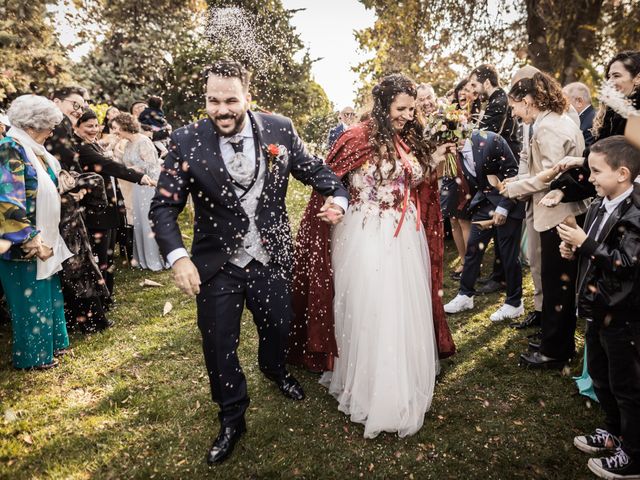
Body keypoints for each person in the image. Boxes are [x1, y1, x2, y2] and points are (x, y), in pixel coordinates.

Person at [149, 59, 349, 464]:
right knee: (218, 343)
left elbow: (313, 169)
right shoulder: (185, 140)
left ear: (247, 97)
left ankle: (274, 369)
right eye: (212, 100)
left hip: (271, 256)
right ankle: (232, 416)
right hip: (217, 263)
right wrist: (178, 257)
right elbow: (163, 208)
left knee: (279, 325)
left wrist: (338, 196)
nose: (221, 109)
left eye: (230, 100)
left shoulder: (279, 129)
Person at [290, 74, 455, 438]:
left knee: (401, 305)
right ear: (383, 105)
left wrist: (435, 160)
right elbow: (333, 182)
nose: (409, 115)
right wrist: (334, 203)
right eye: (401, 109)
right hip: (366, 232)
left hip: (404, 233)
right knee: (370, 305)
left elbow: (409, 181)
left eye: (412, 109)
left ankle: (399, 376)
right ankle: (366, 384)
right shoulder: (356, 138)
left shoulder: (407, 138)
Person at [557, 136, 640, 479]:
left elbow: (626, 263)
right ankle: (613, 431)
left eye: (595, 170)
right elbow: (594, 253)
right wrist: (574, 250)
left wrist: (585, 243)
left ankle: (634, 454)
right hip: (596, 307)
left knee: (627, 385)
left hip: (624, 316)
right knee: (602, 377)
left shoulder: (636, 213)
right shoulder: (597, 204)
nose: (589, 177)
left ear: (622, 173)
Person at [501, 72, 590, 368]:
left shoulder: (548, 128)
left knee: (558, 284)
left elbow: (553, 177)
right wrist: (517, 179)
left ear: (527, 101)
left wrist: (514, 188)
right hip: (561, 210)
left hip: (559, 212)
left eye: (514, 106)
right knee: (557, 283)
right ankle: (554, 339)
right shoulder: (556, 120)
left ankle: (555, 351)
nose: (514, 113)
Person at [0, 95, 73, 369]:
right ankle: (33, 358)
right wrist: (29, 236)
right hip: (23, 241)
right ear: (32, 126)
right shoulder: (9, 149)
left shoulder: (34, 150)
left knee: (48, 293)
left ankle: (54, 344)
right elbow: (6, 199)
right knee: (29, 299)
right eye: (49, 126)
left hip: (45, 235)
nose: (52, 132)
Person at [74, 109, 156, 303]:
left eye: (96, 126)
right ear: (76, 127)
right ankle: (103, 298)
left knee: (108, 257)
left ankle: (107, 295)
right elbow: (110, 166)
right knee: (101, 257)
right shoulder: (83, 149)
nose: (94, 130)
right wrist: (140, 177)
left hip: (109, 209)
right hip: (98, 212)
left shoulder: (92, 144)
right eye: (88, 126)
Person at [443, 130, 525, 321]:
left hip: (509, 201)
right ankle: (465, 295)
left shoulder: (491, 140)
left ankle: (514, 303)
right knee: (472, 247)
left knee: (508, 255)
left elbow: (513, 173)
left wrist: (504, 208)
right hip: (485, 202)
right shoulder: (453, 153)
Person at [549, 51, 640, 203]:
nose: (610, 82)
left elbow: (620, 162)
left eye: (616, 76)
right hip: (617, 201)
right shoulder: (612, 114)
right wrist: (562, 189)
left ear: (637, 78)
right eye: (608, 77)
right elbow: (601, 163)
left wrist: (581, 161)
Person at [467, 64, 522, 294]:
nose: (472, 89)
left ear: (486, 82)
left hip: (504, 166)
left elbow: (486, 133)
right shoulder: (493, 101)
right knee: (499, 222)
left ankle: (502, 278)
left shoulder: (500, 101)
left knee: (503, 221)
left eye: (474, 84)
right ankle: (498, 274)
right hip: (498, 165)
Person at [111, 113, 165, 271]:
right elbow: (122, 165)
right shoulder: (127, 144)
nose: (114, 132)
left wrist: (133, 170)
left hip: (149, 187)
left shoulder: (143, 141)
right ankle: (143, 258)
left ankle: (156, 258)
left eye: (116, 128)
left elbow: (152, 166)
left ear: (124, 125)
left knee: (150, 222)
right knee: (140, 222)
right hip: (136, 188)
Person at [440, 79, 478, 279]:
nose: (463, 94)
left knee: (464, 219)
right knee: (452, 218)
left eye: (467, 90)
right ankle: (463, 260)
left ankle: (472, 265)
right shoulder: (448, 114)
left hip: (464, 171)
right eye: (460, 90)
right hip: (449, 169)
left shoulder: (476, 116)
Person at [46, 86, 88, 171]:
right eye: (75, 105)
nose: (80, 111)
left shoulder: (59, 124)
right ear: (57, 102)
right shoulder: (59, 122)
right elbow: (70, 159)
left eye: (82, 108)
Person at [563, 82, 596, 147]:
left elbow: (585, 151)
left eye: (565, 101)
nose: (562, 106)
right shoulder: (586, 118)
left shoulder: (593, 121)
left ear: (579, 101)